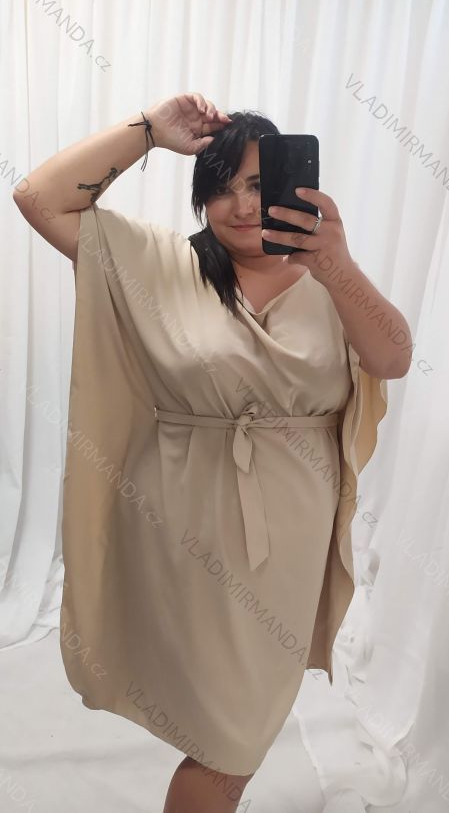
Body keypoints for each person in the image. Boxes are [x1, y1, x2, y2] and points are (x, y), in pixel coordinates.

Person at [13, 92, 412, 812]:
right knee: (228, 737)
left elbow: (393, 357)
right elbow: (38, 197)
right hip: (182, 526)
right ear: (201, 198)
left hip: (288, 536)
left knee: (238, 728)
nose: (242, 204)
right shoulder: (162, 265)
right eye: (222, 187)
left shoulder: (327, 278)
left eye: (259, 183)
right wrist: (148, 132)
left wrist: (339, 264)